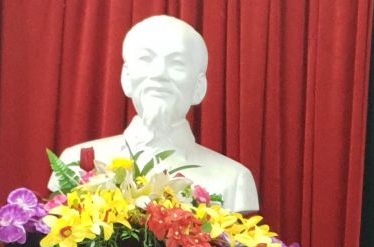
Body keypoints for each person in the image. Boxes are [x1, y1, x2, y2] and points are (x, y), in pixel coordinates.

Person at [57, 15, 259, 212]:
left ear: (199, 87)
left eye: (177, 63)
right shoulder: (74, 163)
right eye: (146, 59)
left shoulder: (234, 179)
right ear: (126, 78)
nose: (159, 73)